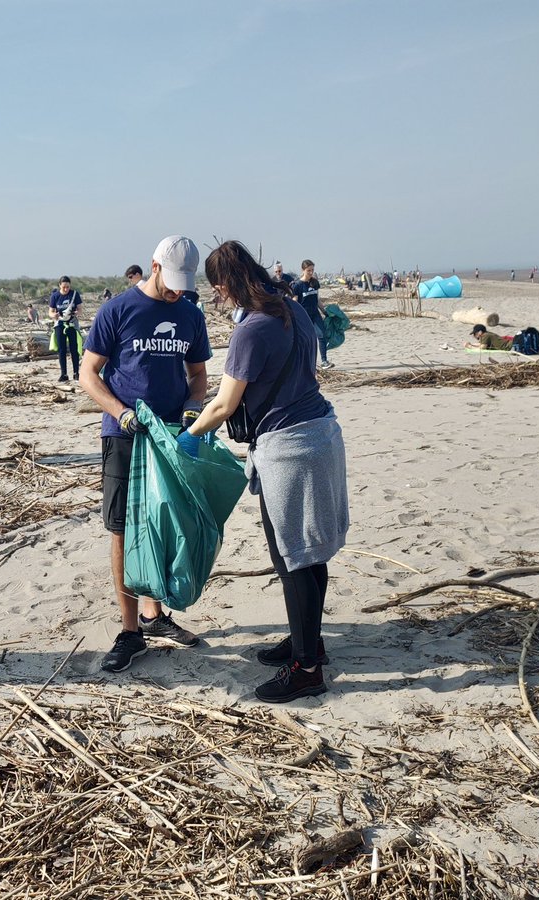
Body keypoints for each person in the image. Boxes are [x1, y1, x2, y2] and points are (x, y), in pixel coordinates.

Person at [177, 240, 348, 704]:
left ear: (225, 285)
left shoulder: (251, 329)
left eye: (217, 289)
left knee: (291, 558)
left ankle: (306, 669)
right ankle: (306, 642)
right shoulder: (291, 309)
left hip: (290, 449)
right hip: (321, 435)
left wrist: (189, 436)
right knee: (310, 553)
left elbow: (225, 403)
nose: (218, 297)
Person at [80, 235, 211, 673]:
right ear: (154, 266)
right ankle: (130, 629)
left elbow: (197, 376)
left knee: (160, 523)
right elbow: (88, 372)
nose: (176, 292)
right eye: (171, 282)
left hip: (170, 436)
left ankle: (154, 617)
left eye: (183, 285)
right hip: (124, 434)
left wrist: (193, 409)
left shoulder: (191, 315)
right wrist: (120, 412)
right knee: (121, 528)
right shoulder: (117, 310)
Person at [292, 259, 331, 369]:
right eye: (308, 270)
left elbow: (317, 299)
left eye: (312, 270)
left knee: (322, 335)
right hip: (304, 316)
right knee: (306, 340)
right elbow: (294, 302)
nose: (310, 272)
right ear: (303, 270)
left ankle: (324, 361)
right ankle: (305, 363)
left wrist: (325, 311)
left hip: (315, 314)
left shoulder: (314, 283)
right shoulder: (297, 285)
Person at [48, 276, 84, 382]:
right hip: (60, 324)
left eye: (67, 287)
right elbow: (50, 311)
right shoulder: (55, 296)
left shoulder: (74, 294)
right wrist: (54, 315)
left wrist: (76, 313)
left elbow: (80, 309)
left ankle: (76, 372)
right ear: (60, 285)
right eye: (64, 287)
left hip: (72, 323)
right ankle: (63, 373)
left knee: (74, 348)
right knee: (62, 349)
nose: (66, 289)